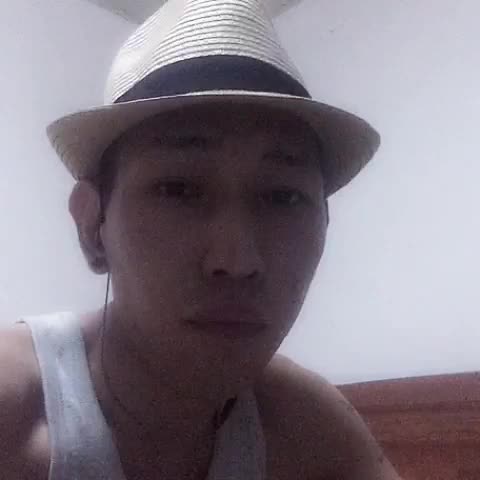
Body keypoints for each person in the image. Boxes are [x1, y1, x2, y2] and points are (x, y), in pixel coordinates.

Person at [0, 0, 402, 478]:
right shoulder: (13, 411)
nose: (237, 260)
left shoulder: (308, 428)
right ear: (92, 227)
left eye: (283, 197)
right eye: (179, 190)